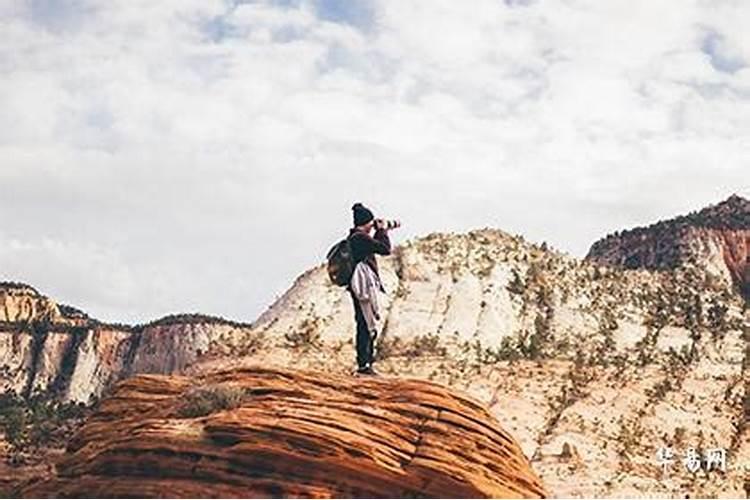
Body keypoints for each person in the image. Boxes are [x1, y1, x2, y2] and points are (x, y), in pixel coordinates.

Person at [347, 202, 394, 375]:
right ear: (367, 222)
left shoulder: (354, 237)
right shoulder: (359, 238)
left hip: (359, 284)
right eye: (371, 223)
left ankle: (365, 363)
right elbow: (385, 249)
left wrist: (378, 232)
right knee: (365, 323)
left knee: (364, 321)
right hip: (362, 285)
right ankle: (364, 364)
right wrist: (382, 231)